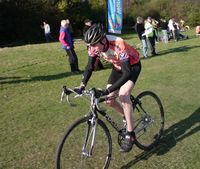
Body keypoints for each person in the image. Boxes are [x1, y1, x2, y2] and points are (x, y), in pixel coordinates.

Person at [75, 24, 141, 152]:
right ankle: (126, 117)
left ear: (103, 40)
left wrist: (108, 90)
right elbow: (89, 67)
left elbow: (127, 72)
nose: (92, 48)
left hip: (132, 67)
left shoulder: (117, 43)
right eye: (89, 45)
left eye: (94, 44)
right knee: (109, 100)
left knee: (123, 95)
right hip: (117, 67)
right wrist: (82, 85)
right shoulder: (93, 47)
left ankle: (131, 134)